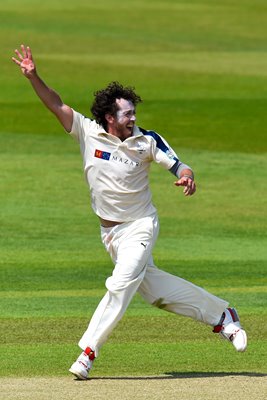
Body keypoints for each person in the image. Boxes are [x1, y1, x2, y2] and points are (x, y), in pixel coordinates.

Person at [12, 44, 247, 380]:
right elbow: (55, 102)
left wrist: (187, 177)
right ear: (110, 117)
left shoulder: (146, 141)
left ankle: (88, 352)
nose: (133, 118)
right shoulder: (87, 131)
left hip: (140, 227)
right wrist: (33, 76)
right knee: (156, 292)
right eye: (127, 114)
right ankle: (223, 315)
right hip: (110, 234)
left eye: (134, 112)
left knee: (120, 284)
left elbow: (179, 165)